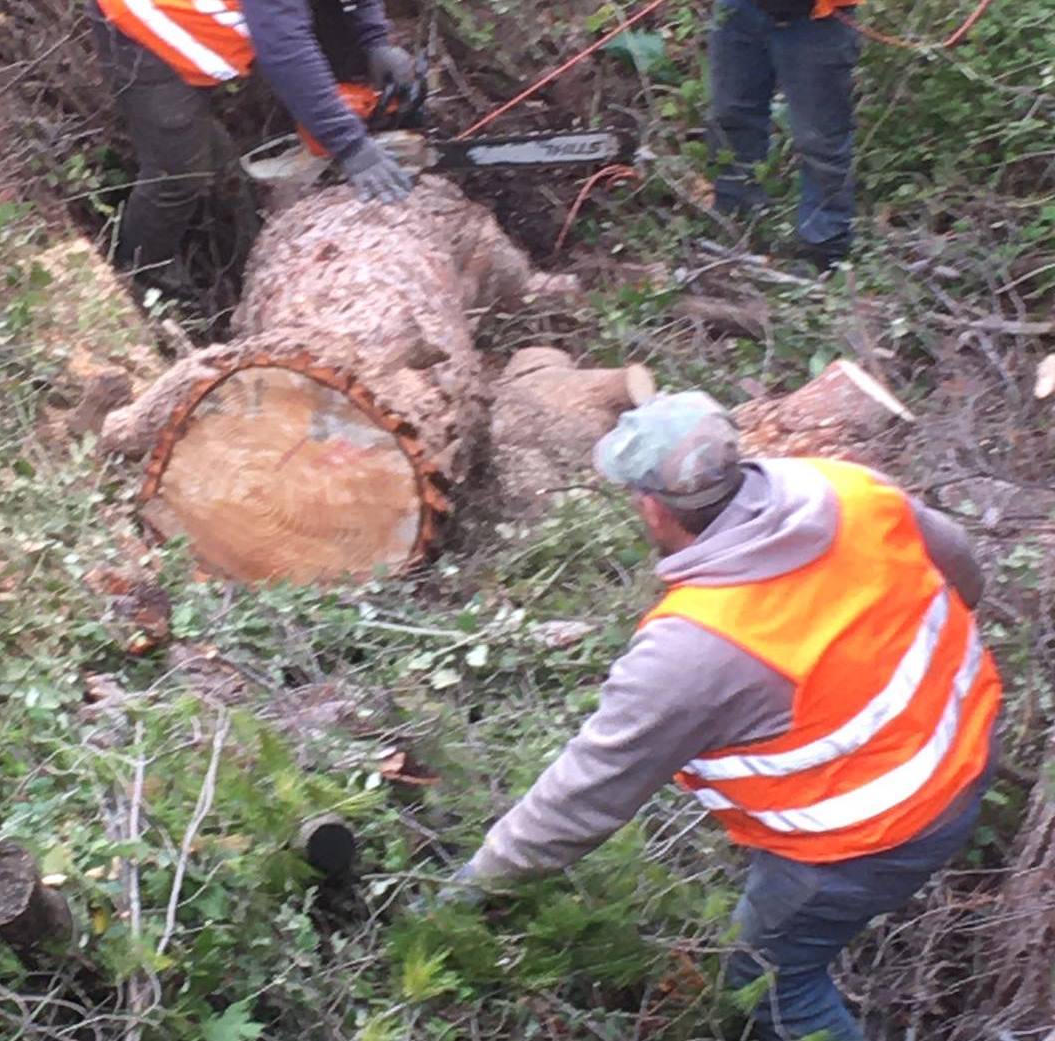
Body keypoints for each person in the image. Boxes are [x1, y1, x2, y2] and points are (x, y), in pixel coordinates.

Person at [439, 392, 1003, 1041]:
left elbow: (581, 797)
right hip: (965, 740)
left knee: (770, 982)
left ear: (652, 506)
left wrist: (468, 889)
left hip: (871, 837)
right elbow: (959, 563)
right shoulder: (849, 488)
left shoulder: (698, 648)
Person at [88, 0, 416, 288]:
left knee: (217, 163)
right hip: (142, 30)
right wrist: (350, 147)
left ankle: (242, 245)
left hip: (196, 23)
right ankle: (143, 273)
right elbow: (285, 49)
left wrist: (373, 40)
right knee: (177, 174)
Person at [708, 0, 862, 270]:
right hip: (740, 9)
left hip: (819, 18)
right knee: (730, 115)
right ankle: (735, 225)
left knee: (820, 137)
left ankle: (824, 251)